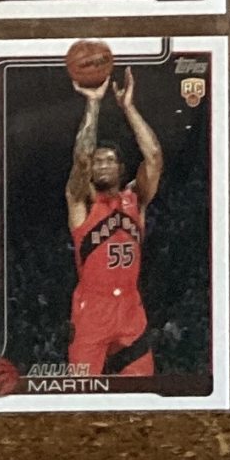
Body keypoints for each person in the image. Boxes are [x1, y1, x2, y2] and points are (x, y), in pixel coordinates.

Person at [66, 64, 164, 380]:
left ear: (122, 169)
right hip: (92, 311)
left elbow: (154, 156)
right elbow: (81, 158)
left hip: (131, 311)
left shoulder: (136, 199)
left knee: (141, 392)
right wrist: (93, 103)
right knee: (82, 393)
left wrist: (128, 108)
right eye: (98, 161)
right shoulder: (82, 201)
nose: (103, 165)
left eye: (110, 160)